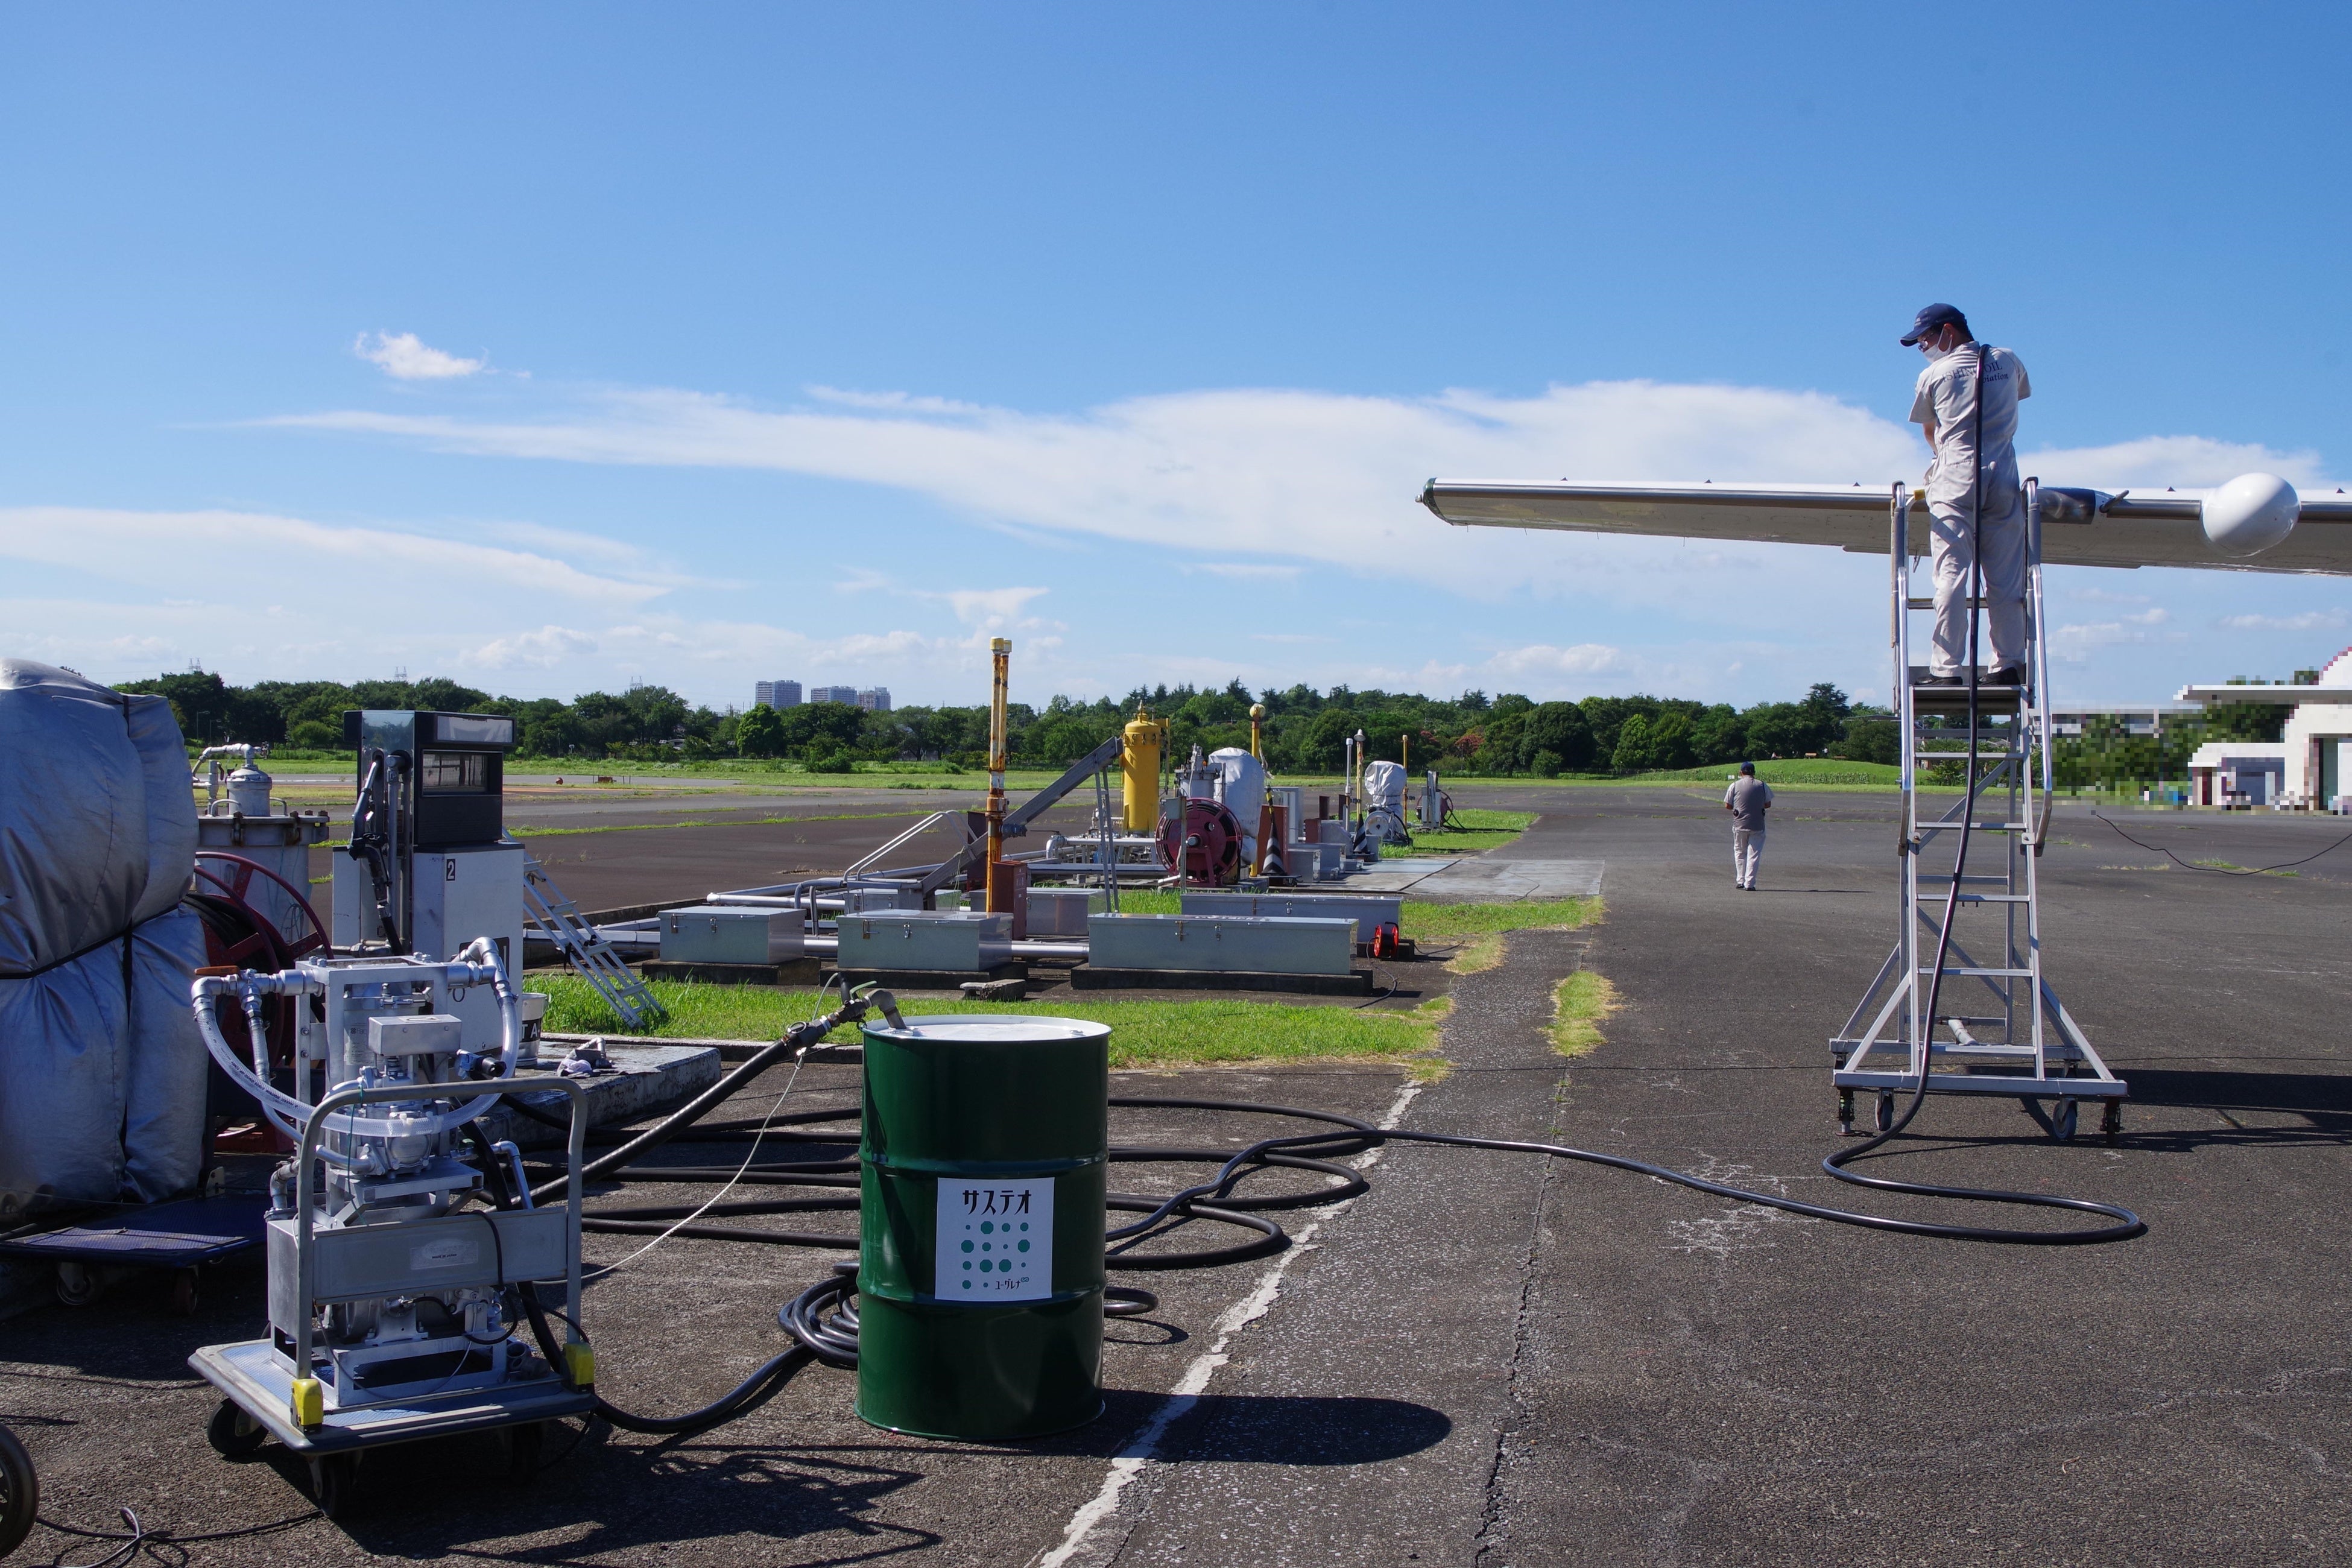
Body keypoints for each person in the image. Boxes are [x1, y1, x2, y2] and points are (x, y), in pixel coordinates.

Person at [1901, 303, 2031, 688]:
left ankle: (1946, 668)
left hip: (1956, 474)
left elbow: (1929, 430)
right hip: (2004, 473)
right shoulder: (2008, 360)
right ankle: (2009, 662)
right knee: (2005, 580)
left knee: (1951, 577)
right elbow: (2016, 396)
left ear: (1948, 332)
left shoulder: (1934, 374)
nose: (1923, 345)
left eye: (1925, 338)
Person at [1724, 761, 1771, 890]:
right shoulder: (1762, 785)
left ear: (1741, 773)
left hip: (1740, 824)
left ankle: (1740, 880)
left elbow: (1727, 805)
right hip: (1757, 824)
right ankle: (1750, 884)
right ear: (1754, 773)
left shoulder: (1735, 785)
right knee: (1754, 854)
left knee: (1740, 852)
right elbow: (1768, 804)